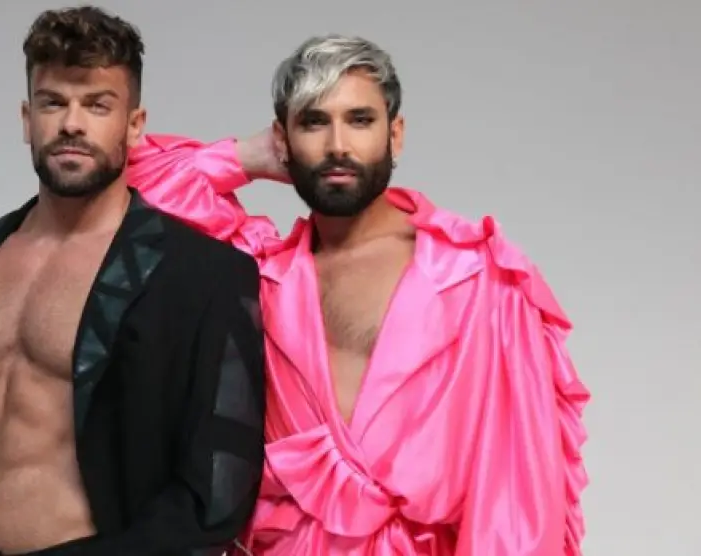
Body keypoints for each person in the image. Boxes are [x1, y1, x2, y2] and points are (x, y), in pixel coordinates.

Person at [125, 35, 590, 555]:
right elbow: (132, 186)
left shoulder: (476, 277)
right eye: (313, 122)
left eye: (360, 120)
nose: (338, 145)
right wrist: (248, 157)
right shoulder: (260, 274)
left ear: (396, 135)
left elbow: (517, 500)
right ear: (284, 139)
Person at [0, 7, 266, 556]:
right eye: (52, 103)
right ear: (27, 119)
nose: (71, 124)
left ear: (134, 125)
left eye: (97, 105)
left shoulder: (203, 276)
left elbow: (217, 493)